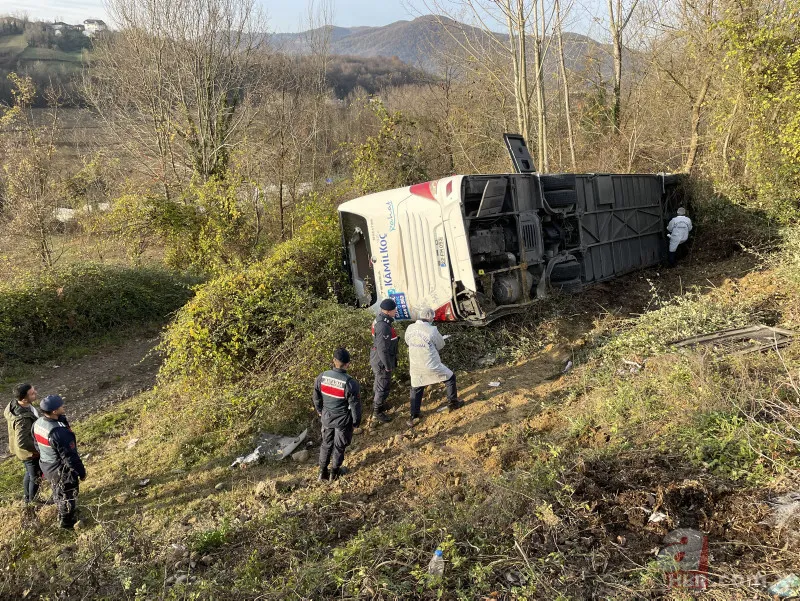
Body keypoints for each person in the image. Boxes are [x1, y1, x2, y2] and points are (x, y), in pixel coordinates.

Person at [404, 308, 464, 426]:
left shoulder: (410, 328)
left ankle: (413, 416)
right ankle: (453, 402)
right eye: (433, 317)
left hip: (415, 364)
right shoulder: (432, 330)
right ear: (430, 317)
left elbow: (407, 341)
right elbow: (440, 345)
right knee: (450, 378)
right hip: (431, 364)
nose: (433, 319)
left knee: (416, 388)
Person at [33, 395, 86, 529]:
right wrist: (81, 472)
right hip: (60, 470)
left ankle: (63, 511)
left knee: (58, 491)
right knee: (68, 494)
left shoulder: (38, 423)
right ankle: (67, 522)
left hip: (46, 465)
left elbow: (37, 444)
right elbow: (70, 457)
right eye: (60, 406)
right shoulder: (59, 433)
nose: (63, 406)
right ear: (54, 412)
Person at [313, 348, 362, 481]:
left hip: (327, 418)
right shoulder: (350, 383)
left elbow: (316, 397)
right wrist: (356, 423)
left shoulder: (322, 377)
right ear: (348, 364)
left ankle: (322, 473)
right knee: (339, 447)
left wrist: (319, 410)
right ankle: (334, 473)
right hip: (343, 422)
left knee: (326, 444)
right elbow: (355, 407)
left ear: (334, 361)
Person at [4, 383, 42, 505]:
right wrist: (38, 448)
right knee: (35, 477)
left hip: (21, 451)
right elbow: (22, 441)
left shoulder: (14, 404)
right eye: (32, 393)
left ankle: (27, 498)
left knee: (29, 473)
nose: (35, 393)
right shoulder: (22, 419)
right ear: (24, 399)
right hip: (29, 453)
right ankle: (33, 503)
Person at [370, 298, 399, 423]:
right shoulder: (383, 326)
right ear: (388, 311)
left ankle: (379, 404)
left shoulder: (381, 319)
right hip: (382, 361)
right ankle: (377, 412)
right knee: (382, 386)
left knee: (379, 383)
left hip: (378, 358)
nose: (396, 311)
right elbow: (382, 349)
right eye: (394, 310)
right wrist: (387, 365)